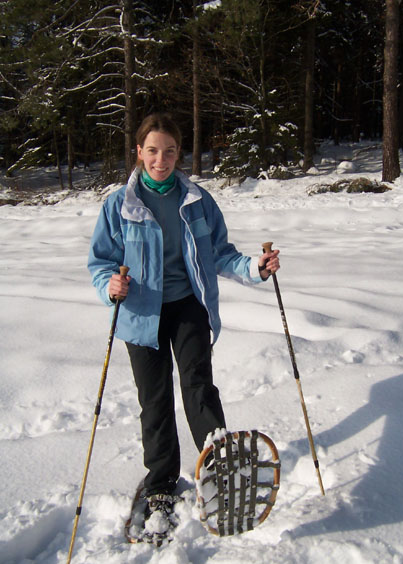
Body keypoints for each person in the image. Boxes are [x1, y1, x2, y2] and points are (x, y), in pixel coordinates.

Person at [88, 112, 280, 532]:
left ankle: (220, 467)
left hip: (189, 306)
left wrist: (256, 267)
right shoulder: (119, 205)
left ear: (179, 153)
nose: (161, 159)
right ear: (139, 152)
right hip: (141, 313)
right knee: (154, 401)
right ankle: (161, 482)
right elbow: (101, 262)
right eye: (153, 151)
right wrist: (110, 287)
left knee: (198, 387)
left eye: (170, 151)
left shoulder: (197, 200)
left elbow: (221, 254)